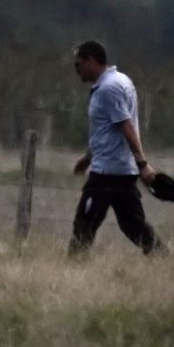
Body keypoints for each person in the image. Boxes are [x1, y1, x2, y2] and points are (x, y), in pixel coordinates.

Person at [70, 40, 163, 256]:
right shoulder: (120, 80)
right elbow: (106, 132)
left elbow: (126, 125)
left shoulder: (108, 88)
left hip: (107, 173)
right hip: (121, 169)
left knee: (84, 224)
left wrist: (143, 164)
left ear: (91, 60)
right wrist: (87, 158)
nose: (77, 71)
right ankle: (163, 258)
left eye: (78, 64)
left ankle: (72, 268)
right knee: (133, 225)